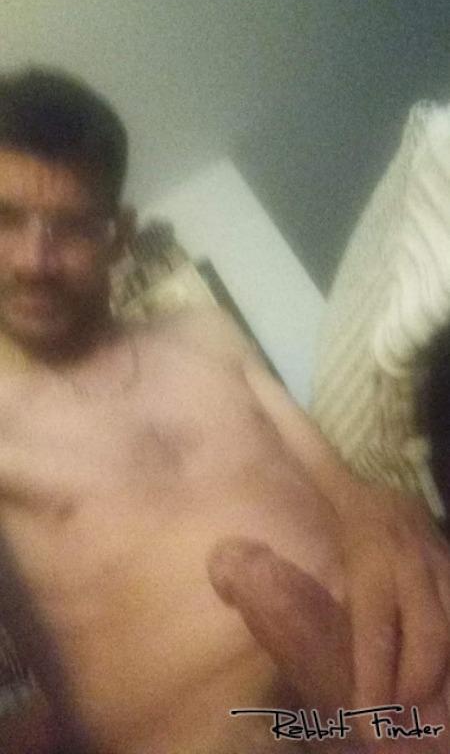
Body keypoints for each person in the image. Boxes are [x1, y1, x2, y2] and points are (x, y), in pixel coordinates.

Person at [0, 67, 448, 754]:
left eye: (74, 227)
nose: (35, 261)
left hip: (389, 677)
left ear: (119, 236)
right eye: (4, 220)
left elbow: (348, 494)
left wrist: (387, 514)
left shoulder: (204, 333)